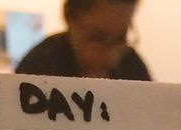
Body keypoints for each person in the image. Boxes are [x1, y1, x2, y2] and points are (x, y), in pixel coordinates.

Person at [14, 0, 151, 81]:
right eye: (97, 38)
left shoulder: (132, 64)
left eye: (121, 38)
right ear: (70, 21)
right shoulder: (39, 65)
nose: (111, 55)